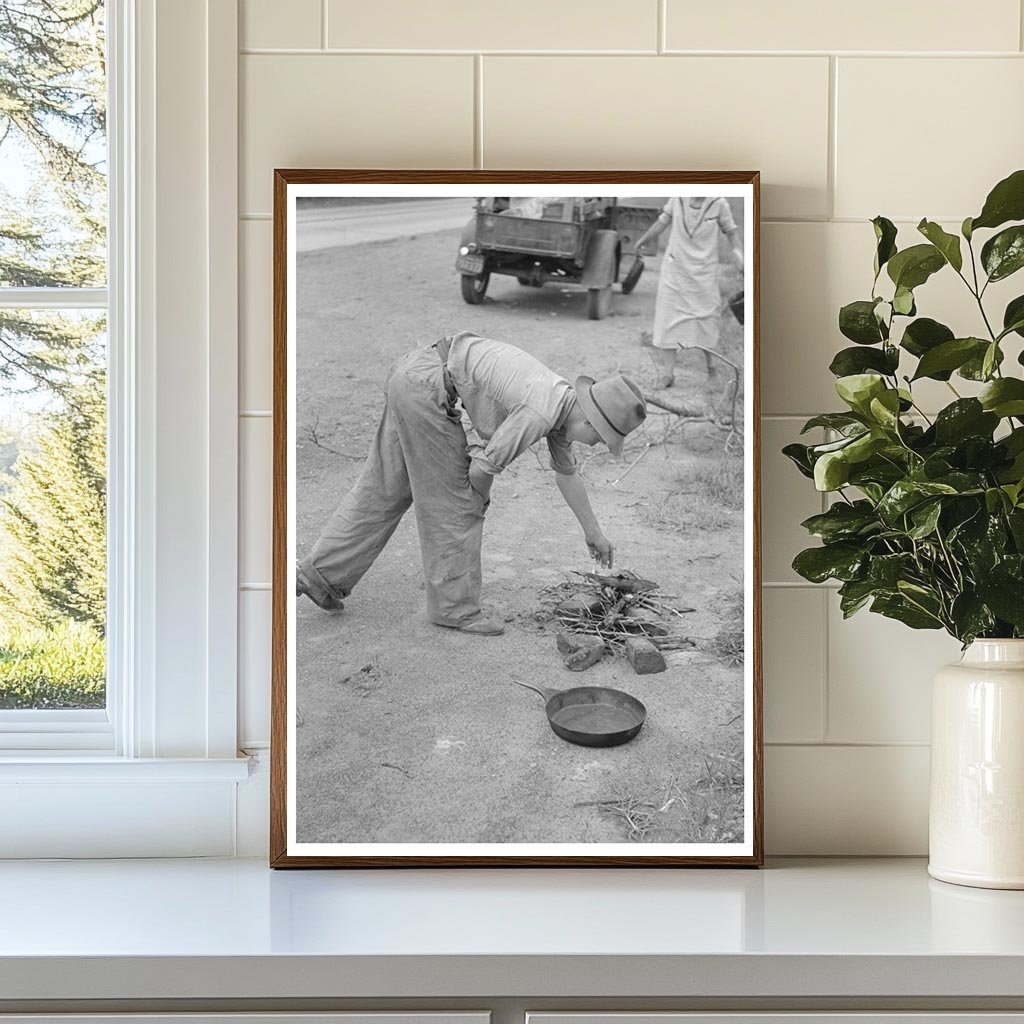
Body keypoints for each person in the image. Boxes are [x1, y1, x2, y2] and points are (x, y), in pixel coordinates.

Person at [296, 330, 647, 636]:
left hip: (413, 373)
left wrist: (593, 532)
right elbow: (482, 471)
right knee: (460, 502)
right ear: (589, 422)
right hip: (425, 389)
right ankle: (454, 609)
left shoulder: (563, 403)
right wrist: (476, 499)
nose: (595, 445)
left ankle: (319, 576)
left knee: (387, 488)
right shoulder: (541, 411)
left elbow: (567, 474)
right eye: (600, 439)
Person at [634, 196, 743, 398]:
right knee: (668, 319)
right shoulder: (677, 198)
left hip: (704, 272)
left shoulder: (719, 203)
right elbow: (661, 222)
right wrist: (643, 240)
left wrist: (740, 258)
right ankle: (667, 374)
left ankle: (712, 370)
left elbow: (732, 234)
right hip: (675, 270)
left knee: (707, 319)